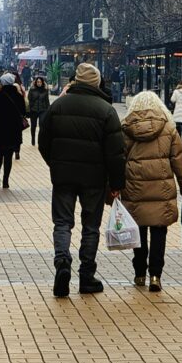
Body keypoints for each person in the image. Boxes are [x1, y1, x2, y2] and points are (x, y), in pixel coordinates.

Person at [39, 62, 125, 298]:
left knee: (62, 222)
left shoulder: (58, 106)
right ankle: (86, 274)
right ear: (96, 82)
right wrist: (117, 183)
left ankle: (62, 262)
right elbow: (116, 152)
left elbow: (43, 140)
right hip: (94, 179)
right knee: (90, 225)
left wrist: (55, 163)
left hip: (63, 176)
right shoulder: (106, 110)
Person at [120, 91, 182, 292]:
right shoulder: (168, 129)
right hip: (161, 190)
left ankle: (139, 273)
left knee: (139, 232)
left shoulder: (125, 129)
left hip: (134, 189)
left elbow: (117, 160)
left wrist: (112, 190)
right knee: (159, 231)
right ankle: (155, 275)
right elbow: (181, 163)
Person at [0, 72, 26, 188]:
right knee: (8, 157)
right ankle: (6, 180)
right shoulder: (18, 96)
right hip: (13, 131)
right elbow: (24, 112)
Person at [27, 75, 50, 146]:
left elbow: (47, 101)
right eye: (37, 82)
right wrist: (31, 108)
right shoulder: (32, 90)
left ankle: (40, 140)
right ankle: (33, 138)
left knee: (41, 125)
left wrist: (49, 110)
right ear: (35, 82)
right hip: (33, 110)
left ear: (42, 83)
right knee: (33, 126)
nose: (39, 83)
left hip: (42, 110)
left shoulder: (45, 90)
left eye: (40, 82)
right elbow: (29, 99)